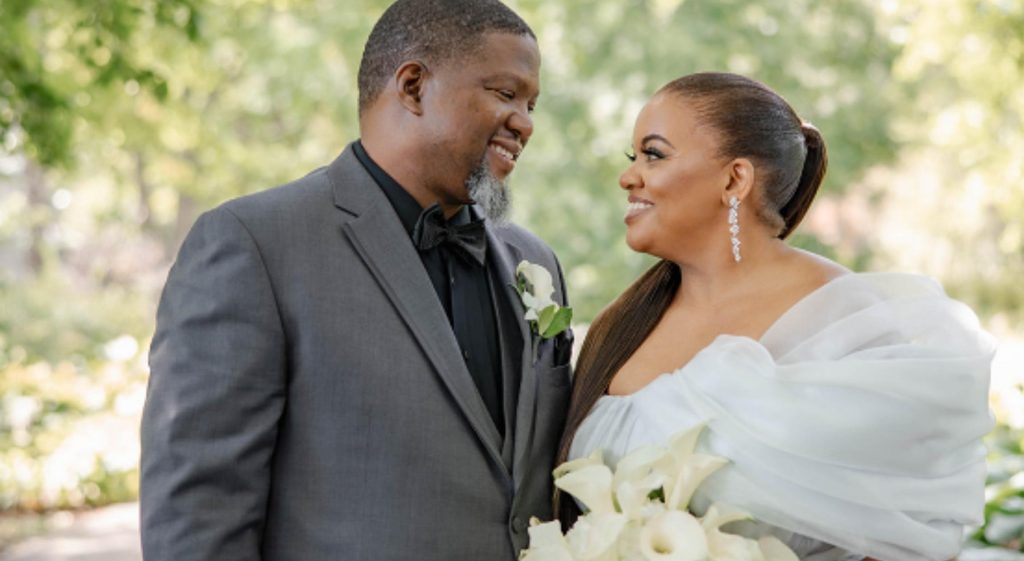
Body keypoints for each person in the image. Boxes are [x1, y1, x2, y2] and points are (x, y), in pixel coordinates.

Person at [140, 1, 573, 560]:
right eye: (505, 93)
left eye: (532, 104)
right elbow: (196, 521)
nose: (526, 122)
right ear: (414, 87)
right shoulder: (254, 245)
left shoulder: (535, 263)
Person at [556, 72, 993, 561]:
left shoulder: (846, 317)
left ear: (734, 179)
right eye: (631, 157)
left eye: (653, 154)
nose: (628, 176)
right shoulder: (621, 326)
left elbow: (914, 534)